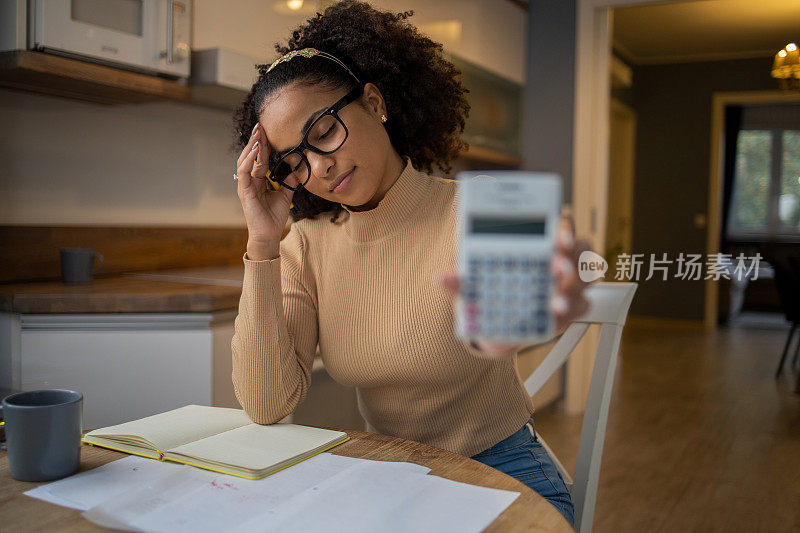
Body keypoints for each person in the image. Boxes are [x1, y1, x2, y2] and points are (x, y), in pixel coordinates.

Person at [231, 1, 589, 526]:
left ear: (373, 103)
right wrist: (262, 244)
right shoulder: (303, 245)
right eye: (295, 161)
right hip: (388, 477)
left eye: (324, 131)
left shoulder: (477, 207)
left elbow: (546, 275)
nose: (320, 165)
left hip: (504, 468)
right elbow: (266, 405)